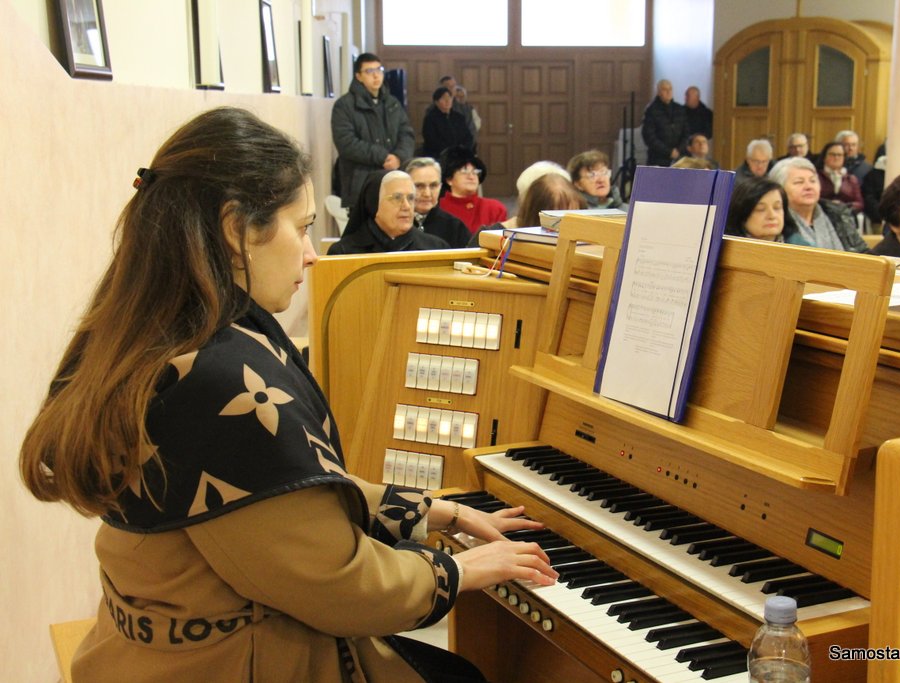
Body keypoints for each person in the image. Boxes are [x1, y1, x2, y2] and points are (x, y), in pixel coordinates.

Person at [19, 107, 556, 683]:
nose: (311, 253)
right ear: (235, 228)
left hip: (142, 643)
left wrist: (434, 511)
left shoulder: (150, 327)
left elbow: (274, 493)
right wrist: (459, 569)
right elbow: (344, 588)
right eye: (301, 228)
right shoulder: (218, 380)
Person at [331, 53, 415, 209]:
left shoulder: (392, 103)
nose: (376, 75)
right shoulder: (345, 105)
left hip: (393, 178)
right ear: (358, 76)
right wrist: (382, 156)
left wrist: (399, 156)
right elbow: (346, 142)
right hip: (361, 181)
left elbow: (406, 134)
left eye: (379, 70)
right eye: (369, 71)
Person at [328, 170, 452, 255]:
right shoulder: (343, 253)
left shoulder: (436, 249)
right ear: (373, 204)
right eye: (397, 198)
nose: (406, 206)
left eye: (410, 198)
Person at [768, 157, 868, 252]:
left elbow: (862, 252)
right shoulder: (774, 221)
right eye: (799, 182)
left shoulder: (839, 214)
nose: (808, 187)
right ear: (779, 189)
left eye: (813, 181)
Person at [405, 157, 471, 248]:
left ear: (440, 187)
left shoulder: (455, 227)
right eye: (419, 186)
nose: (427, 194)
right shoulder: (395, 225)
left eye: (433, 186)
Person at [438, 146, 507, 234]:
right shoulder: (438, 208)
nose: (471, 176)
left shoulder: (494, 208)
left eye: (475, 172)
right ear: (449, 179)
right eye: (464, 172)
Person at [724, 176, 809, 245]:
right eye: (760, 209)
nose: (772, 216)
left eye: (777, 207)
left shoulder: (801, 248)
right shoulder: (725, 250)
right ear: (741, 213)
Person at [641, 79, 688, 167]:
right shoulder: (651, 111)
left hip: (679, 156)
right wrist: (668, 151)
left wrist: (679, 150)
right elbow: (649, 136)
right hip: (658, 157)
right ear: (658, 92)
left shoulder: (680, 109)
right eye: (664, 89)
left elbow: (686, 133)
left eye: (670, 89)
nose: (668, 92)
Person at [421, 86, 473, 160]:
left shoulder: (459, 117)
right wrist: (450, 152)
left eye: (449, 97)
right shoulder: (430, 119)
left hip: (460, 156)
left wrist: (462, 150)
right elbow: (432, 140)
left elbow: (468, 137)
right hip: (438, 157)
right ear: (436, 102)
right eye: (443, 98)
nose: (447, 100)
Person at [816, 141, 864, 213]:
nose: (836, 157)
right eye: (832, 154)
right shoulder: (816, 177)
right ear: (824, 157)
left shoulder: (851, 179)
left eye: (840, 155)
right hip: (821, 214)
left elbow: (860, 204)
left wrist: (843, 206)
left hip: (845, 216)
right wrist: (829, 204)